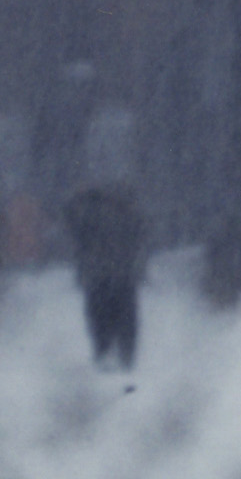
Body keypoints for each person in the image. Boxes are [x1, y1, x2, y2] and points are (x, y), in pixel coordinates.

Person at [61, 112, 147, 372]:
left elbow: (74, 226)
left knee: (107, 311)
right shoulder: (114, 198)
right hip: (110, 267)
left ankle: (112, 355)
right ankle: (115, 355)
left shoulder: (99, 199)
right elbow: (139, 228)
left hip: (106, 267)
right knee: (116, 311)